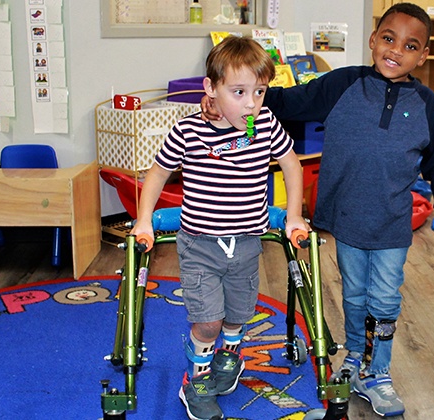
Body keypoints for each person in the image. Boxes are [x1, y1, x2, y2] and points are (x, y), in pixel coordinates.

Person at [201, 3, 434, 417]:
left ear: (423, 55)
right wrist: (235, 98)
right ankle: (355, 359)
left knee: (385, 297)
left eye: (410, 46)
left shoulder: (425, 102)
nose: (396, 50)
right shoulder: (344, 84)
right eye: (389, 38)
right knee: (355, 295)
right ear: (373, 40)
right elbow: (287, 102)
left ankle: (379, 372)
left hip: (393, 221)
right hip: (346, 217)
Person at [131, 36, 308, 420]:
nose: (251, 103)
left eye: (259, 92)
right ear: (211, 88)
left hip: (246, 243)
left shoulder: (265, 125)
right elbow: (158, 173)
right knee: (207, 322)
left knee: (239, 315)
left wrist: (293, 214)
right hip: (200, 245)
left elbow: (292, 166)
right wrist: (144, 219)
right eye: (239, 91)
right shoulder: (188, 131)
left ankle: (230, 358)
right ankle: (194, 380)